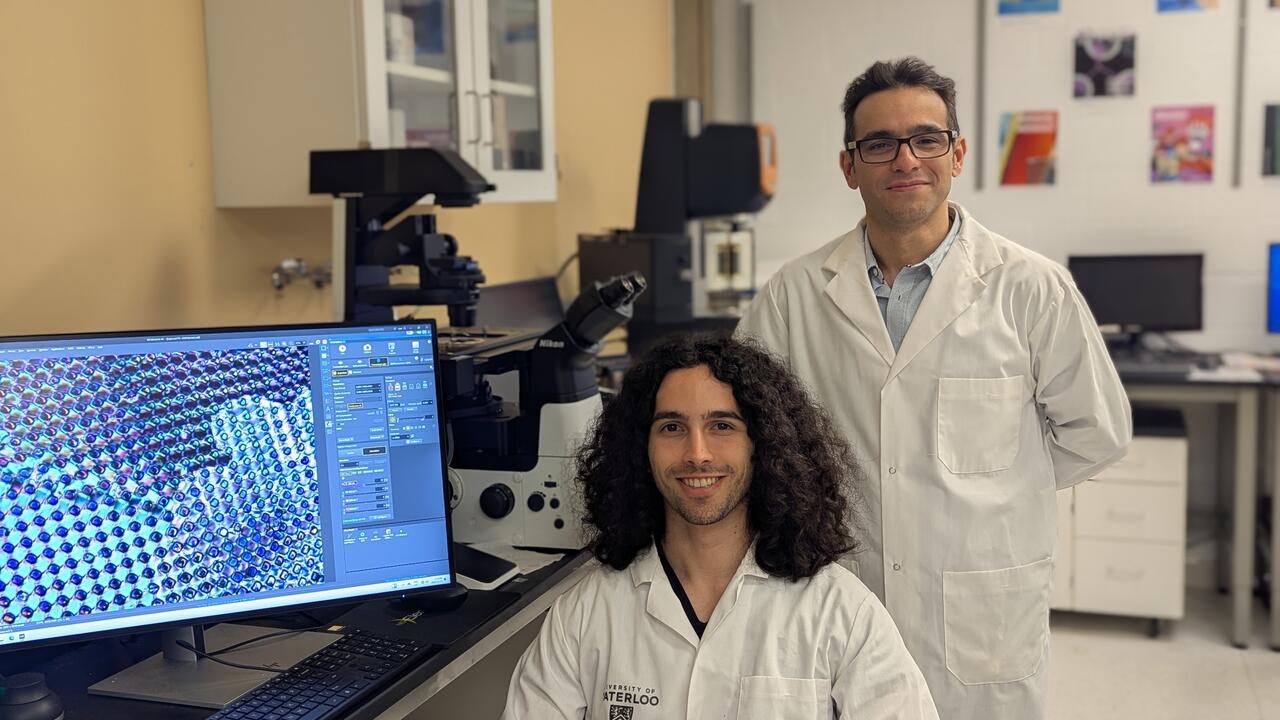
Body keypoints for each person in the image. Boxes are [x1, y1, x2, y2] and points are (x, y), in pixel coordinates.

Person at [737, 57, 1132, 719]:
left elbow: (1098, 435)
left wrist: (997, 492)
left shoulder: (1031, 288)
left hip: (982, 612)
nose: (905, 159)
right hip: (844, 596)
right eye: (880, 144)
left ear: (958, 153)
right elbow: (747, 435)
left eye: (926, 138)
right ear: (849, 166)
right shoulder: (791, 297)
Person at [502, 334, 939, 719]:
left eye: (721, 426)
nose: (697, 453)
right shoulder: (584, 614)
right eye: (672, 427)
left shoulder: (840, 612)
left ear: (763, 443)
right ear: (641, 448)